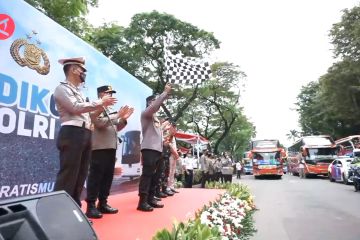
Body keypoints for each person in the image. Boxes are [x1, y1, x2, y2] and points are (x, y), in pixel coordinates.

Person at [53, 57, 117, 207]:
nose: (83, 73)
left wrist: (102, 107)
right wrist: (100, 102)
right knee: (69, 174)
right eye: (82, 69)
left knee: (81, 175)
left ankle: (74, 209)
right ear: (73, 69)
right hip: (72, 132)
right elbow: (74, 107)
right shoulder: (62, 88)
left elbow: (88, 113)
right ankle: (58, 211)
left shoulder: (80, 92)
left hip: (85, 133)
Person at [85, 85, 134, 219]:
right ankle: (90, 206)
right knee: (96, 177)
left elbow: (116, 127)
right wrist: (117, 115)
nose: (111, 96)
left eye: (112, 93)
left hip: (111, 147)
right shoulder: (95, 107)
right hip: (99, 148)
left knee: (107, 177)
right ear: (101, 94)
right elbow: (99, 123)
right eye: (108, 93)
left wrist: (123, 119)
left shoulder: (109, 110)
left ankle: (103, 203)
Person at [137, 83, 172, 212]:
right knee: (147, 175)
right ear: (149, 103)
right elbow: (155, 106)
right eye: (153, 101)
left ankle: (151, 198)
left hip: (157, 150)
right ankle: (142, 201)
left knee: (155, 176)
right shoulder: (146, 113)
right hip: (149, 149)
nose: (157, 104)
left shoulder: (155, 119)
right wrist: (164, 93)